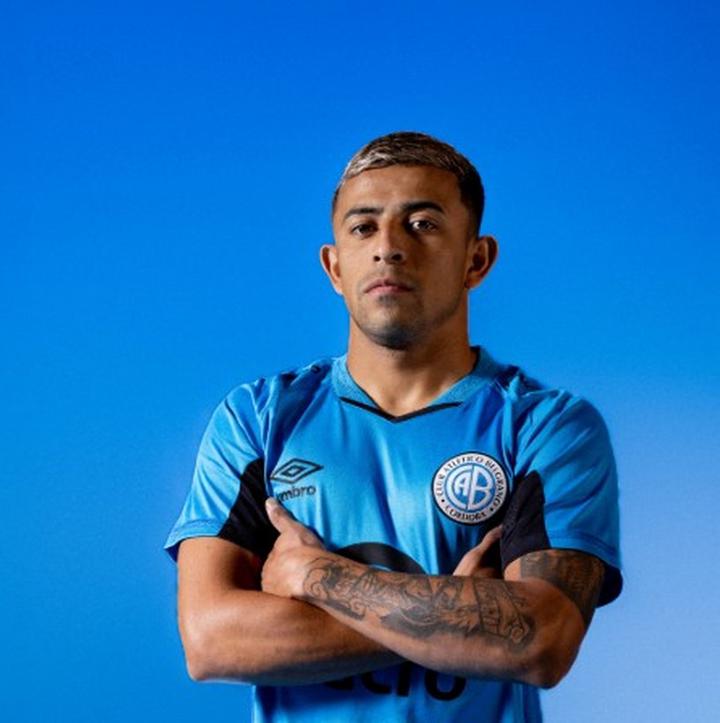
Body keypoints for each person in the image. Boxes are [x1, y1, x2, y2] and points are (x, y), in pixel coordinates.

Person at [164, 132, 622, 722]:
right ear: (334, 266)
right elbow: (210, 641)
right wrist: (462, 611)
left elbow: (541, 641)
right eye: (363, 227)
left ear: (476, 260)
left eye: (423, 224)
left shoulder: (546, 427)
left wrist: (315, 575)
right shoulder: (258, 419)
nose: (388, 248)